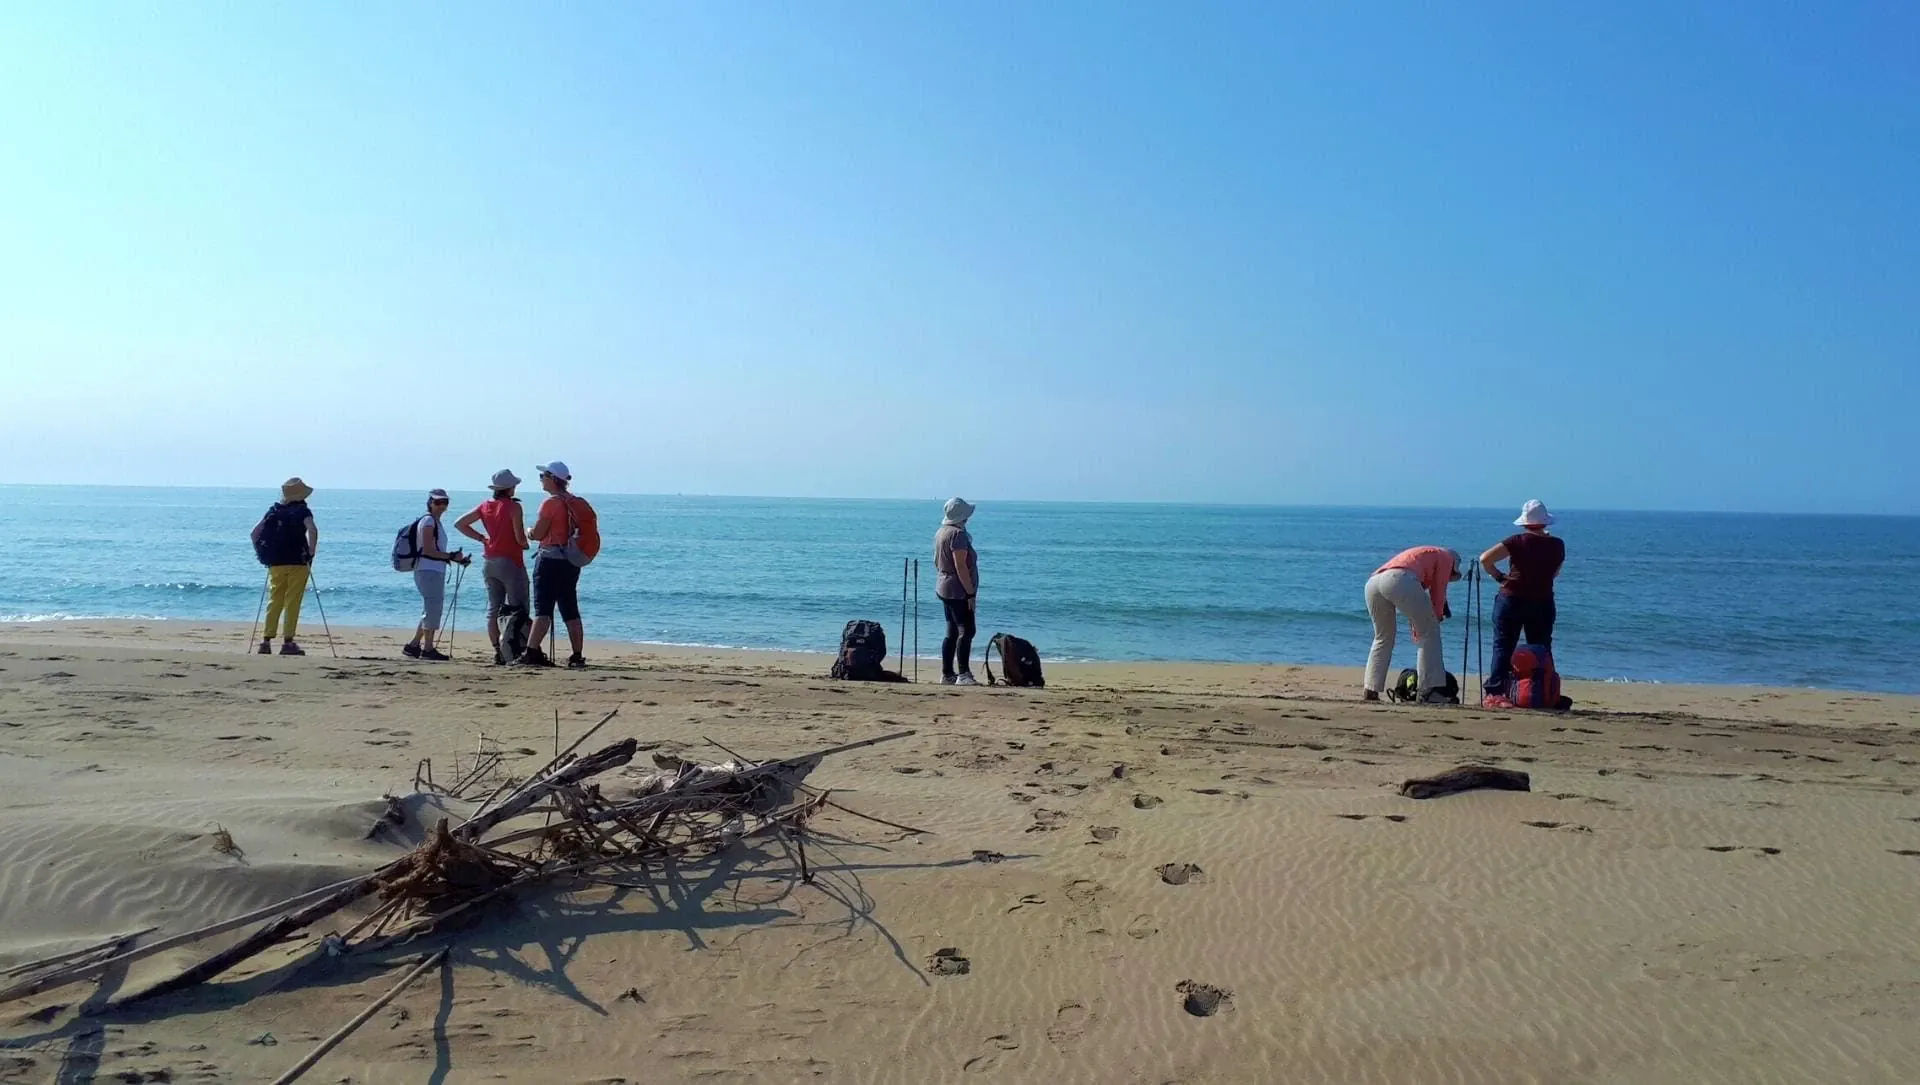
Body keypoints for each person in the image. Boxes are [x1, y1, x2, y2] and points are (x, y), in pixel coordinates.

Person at [1480, 500, 1567, 704]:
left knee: (1503, 645)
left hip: (1511, 598)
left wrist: (1500, 577)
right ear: (1545, 522)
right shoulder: (1557, 544)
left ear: (1525, 522)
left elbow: (1485, 559)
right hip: (1542, 600)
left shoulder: (1516, 541)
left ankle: (1496, 692)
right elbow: (1555, 573)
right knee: (1541, 647)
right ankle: (1543, 690)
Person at [1363, 545, 1462, 703]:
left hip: (1373, 583)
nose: (1449, 578)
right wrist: (1437, 617)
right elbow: (1438, 593)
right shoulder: (1446, 558)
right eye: (1452, 575)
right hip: (1398, 579)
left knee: (1383, 637)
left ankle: (1371, 689)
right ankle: (1428, 691)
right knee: (1430, 633)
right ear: (1454, 565)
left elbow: (1413, 605)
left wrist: (1418, 628)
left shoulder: (1424, 556)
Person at [521, 461, 591, 669]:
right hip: (570, 559)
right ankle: (577, 655)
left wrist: (529, 532)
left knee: (543, 609)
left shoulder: (551, 503)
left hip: (549, 559)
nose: (541, 480)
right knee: (570, 608)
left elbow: (539, 534)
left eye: (543, 476)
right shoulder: (574, 502)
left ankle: (531, 652)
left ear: (552, 479)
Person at [455, 470, 530, 665]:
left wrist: (481, 538)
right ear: (510, 488)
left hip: (490, 560)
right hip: (511, 561)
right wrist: (526, 543)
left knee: (494, 608)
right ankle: (515, 649)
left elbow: (460, 524)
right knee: (518, 608)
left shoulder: (485, 506)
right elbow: (519, 537)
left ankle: (498, 650)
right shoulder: (514, 507)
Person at [251, 478, 319, 656]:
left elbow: (254, 533)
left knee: (275, 600)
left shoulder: (274, 511)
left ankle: (266, 642)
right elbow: (312, 530)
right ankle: (288, 642)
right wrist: (311, 552)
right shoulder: (303, 511)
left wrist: (262, 553)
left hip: (276, 562)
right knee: (293, 601)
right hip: (298, 561)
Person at [403, 489, 470, 661]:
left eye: (445, 502)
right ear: (430, 503)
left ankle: (414, 645)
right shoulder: (428, 521)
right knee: (433, 607)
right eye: (438, 502)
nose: (442, 505)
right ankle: (428, 648)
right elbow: (428, 550)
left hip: (431, 569)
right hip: (428, 570)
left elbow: (434, 550)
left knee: (430, 607)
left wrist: (455, 558)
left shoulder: (434, 522)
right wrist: (451, 556)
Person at [933, 498, 979, 685]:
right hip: (957, 589)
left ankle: (947, 674)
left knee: (952, 631)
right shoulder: (957, 535)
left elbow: (936, 561)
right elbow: (961, 566)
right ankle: (963, 674)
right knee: (967, 631)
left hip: (944, 585)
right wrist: (970, 592)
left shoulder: (942, 532)